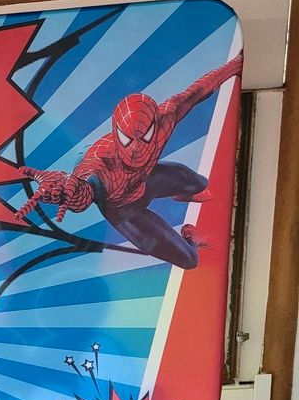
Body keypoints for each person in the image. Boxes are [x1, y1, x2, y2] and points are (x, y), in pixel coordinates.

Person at [18, 52, 243, 269]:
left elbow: (198, 90)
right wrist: (69, 190)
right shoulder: (101, 158)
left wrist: (235, 64)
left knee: (200, 183)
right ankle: (190, 235)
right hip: (124, 210)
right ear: (117, 133)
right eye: (127, 139)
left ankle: (182, 194)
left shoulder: (167, 116)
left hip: (147, 180)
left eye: (143, 137)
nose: (136, 148)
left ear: (154, 125)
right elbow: (87, 185)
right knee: (189, 260)